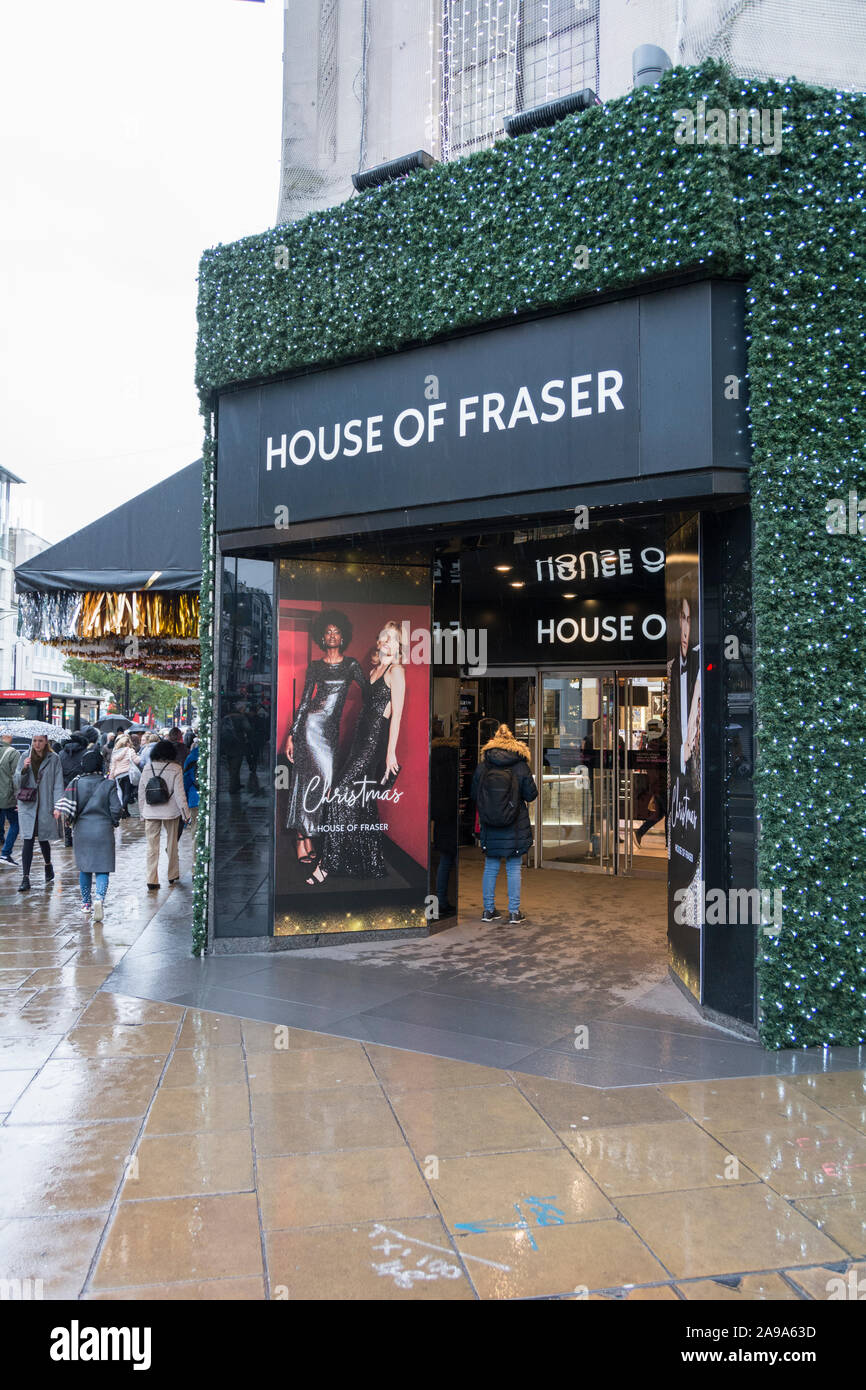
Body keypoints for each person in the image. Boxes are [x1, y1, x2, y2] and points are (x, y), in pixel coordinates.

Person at [317, 620, 406, 884]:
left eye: (392, 637)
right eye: (384, 636)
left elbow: (397, 715)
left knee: (337, 798)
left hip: (373, 744)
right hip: (359, 740)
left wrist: (391, 753)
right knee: (362, 802)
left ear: (398, 644)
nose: (387, 641)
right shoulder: (374, 671)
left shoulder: (396, 671)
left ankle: (327, 864)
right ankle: (370, 863)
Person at [285, 611, 366, 875]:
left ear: (343, 636)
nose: (332, 635)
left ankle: (312, 836)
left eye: (336, 631)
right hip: (309, 728)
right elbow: (305, 701)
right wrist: (291, 734)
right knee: (303, 782)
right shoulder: (316, 667)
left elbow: (370, 689)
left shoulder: (352, 665)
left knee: (325, 784)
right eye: (328, 632)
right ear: (323, 636)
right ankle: (302, 840)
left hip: (329, 734)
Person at [471, 723, 538, 925]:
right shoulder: (520, 765)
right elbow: (531, 795)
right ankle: (514, 912)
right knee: (513, 867)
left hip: (490, 823)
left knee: (491, 865)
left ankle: (488, 910)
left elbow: (474, 794)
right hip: (515, 823)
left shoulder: (484, 766)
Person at [59, 747, 123, 920]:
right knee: (103, 868)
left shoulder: (76, 783)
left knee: (85, 868)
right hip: (103, 830)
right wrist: (114, 822)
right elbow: (116, 809)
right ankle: (99, 899)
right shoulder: (109, 784)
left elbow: (69, 809)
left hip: (82, 831)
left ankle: (86, 903)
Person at [14, 733, 65, 892]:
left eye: (40, 741)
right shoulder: (24, 756)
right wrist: (24, 769)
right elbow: (16, 782)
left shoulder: (54, 758)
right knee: (27, 840)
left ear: (46, 742)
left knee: (43, 838)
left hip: (45, 804)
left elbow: (58, 783)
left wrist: (58, 806)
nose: (37, 744)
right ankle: (25, 878)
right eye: (34, 741)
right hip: (27, 805)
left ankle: (48, 865)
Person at [138, 739, 190, 890]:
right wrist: (186, 814)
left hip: (150, 811)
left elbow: (141, 793)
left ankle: (151, 879)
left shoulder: (147, 768)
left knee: (151, 847)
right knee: (172, 844)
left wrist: (142, 813)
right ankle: (172, 874)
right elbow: (180, 794)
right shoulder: (176, 768)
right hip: (171, 812)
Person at [430, 718, 459, 917]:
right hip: (453, 813)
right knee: (451, 858)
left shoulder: (433, 757)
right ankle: (444, 899)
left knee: (444, 859)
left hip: (440, 814)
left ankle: (440, 899)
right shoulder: (454, 758)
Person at [0, 732, 21, 867]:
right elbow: (16, 778)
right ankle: (5, 853)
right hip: (7, 796)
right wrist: (19, 797)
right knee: (15, 823)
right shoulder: (13, 753)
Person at [108, 732, 135, 817]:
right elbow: (137, 760)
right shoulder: (130, 750)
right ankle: (123, 809)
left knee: (121, 793)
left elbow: (112, 766)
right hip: (127, 774)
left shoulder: (115, 753)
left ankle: (125, 812)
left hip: (118, 776)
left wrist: (111, 777)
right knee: (127, 793)